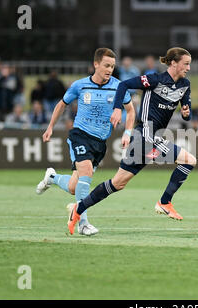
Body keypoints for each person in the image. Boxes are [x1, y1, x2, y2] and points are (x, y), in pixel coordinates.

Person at [66, 47, 196, 235]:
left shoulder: (185, 85)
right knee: (189, 160)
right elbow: (123, 85)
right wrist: (118, 108)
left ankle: (78, 209)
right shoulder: (154, 80)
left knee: (118, 183)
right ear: (173, 63)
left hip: (149, 139)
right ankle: (165, 202)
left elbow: (187, 111)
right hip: (145, 134)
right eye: (186, 63)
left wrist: (186, 112)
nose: (189, 67)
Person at [36, 48, 135, 236]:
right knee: (86, 172)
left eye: (112, 66)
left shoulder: (118, 87)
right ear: (96, 64)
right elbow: (61, 105)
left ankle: (52, 178)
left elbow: (130, 111)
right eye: (106, 65)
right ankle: (83, 223)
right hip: (80, 135)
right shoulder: (80, 86)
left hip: (100, 143)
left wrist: (127, 133)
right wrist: (50, 127)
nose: (109, 70)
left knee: (75, 187)